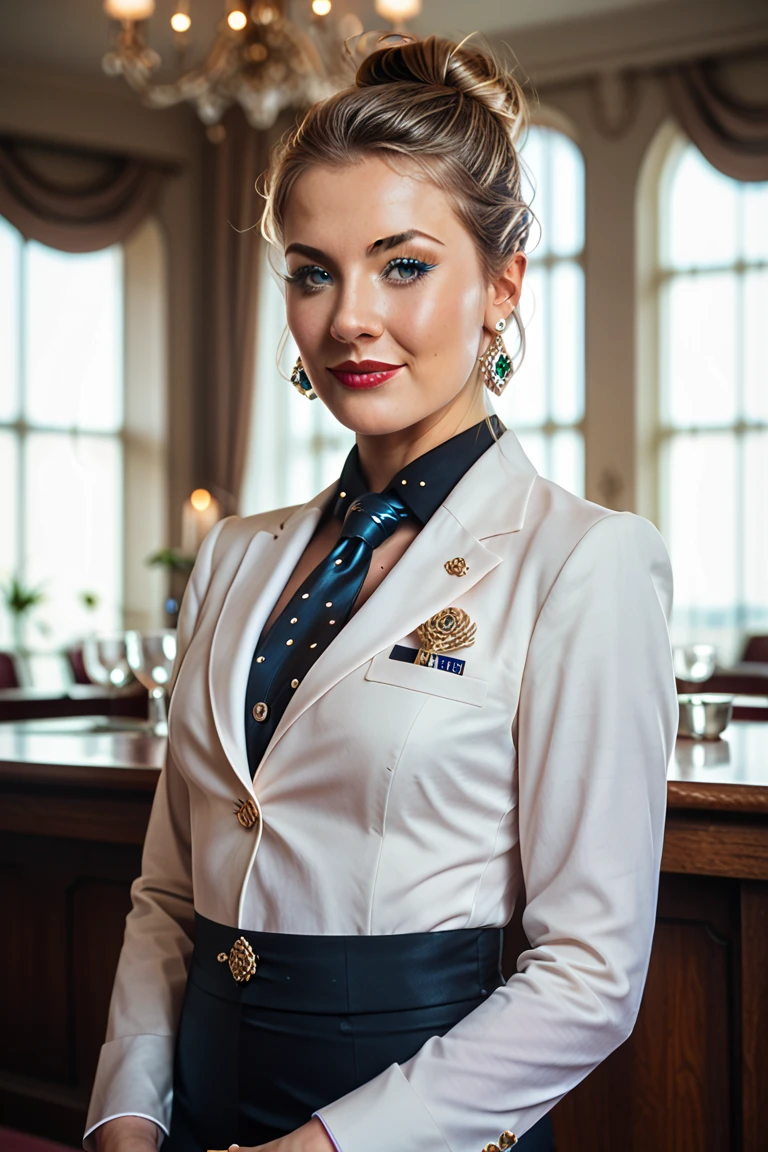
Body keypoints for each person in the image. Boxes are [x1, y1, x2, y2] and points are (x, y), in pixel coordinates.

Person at [84, 32, 678, 1152]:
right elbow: (169, 892)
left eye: (402, 264)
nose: (347, 316)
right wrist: (124, 1112)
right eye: (314, 271)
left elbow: (590, 976)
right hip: (191, 1113)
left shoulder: (583, 562)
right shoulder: (236, 557)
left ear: (501, 287)